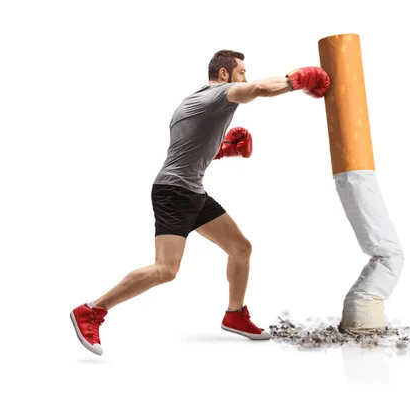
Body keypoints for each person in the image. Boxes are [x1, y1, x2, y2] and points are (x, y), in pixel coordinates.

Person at [70, 49, 330, 356]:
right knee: (166, 269)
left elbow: (188, 148)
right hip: (174, 193)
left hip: (191, 191)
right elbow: (259, 89)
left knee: (241, 247)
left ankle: (234, 314)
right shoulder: (219, 94)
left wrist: (223, 151)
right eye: (241, 72)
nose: (244, 77)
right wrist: (295, 80)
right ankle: (92, 310)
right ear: (224, 74)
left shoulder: (194, 102)